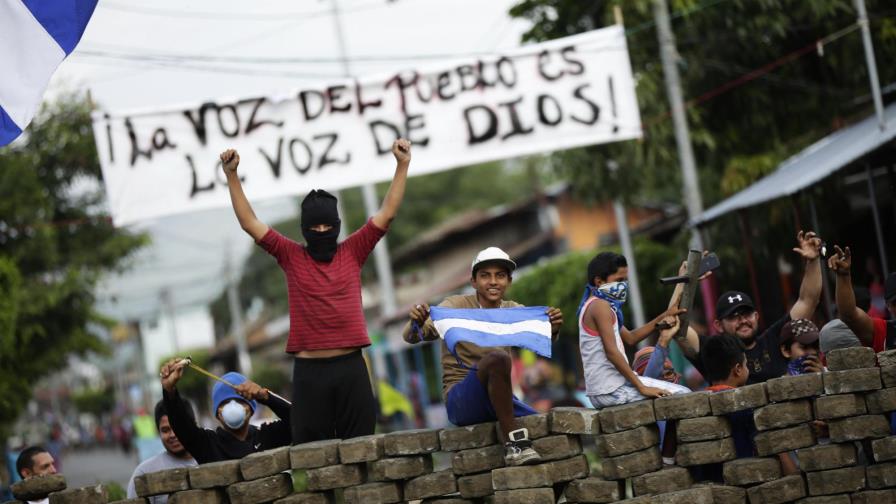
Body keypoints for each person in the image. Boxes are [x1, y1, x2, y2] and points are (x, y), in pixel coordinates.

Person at [221, 139, 411, 443]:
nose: (322, 233)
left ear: (337, 226)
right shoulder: (290, 255)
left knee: (361, 447)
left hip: (351, 367)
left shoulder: (354, 250)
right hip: (309, 373)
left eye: (327, 227)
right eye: (314, 229)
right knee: (312, 452)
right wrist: (231, 175)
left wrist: (402, 165)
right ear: (304, 230)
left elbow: (387, 213)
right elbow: (249, 222)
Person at [403, 247, 563, 466]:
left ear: (509, 281)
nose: (493, 282)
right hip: (461, 400)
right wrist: (416, 321)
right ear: (473, 281)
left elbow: (541, 336)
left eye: (500, 275)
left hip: (499, 398)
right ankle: (514, 445)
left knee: (549, 430)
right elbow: (412, 336)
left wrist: (553, 326)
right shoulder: (455, 307)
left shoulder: (513, 310)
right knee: (498, 359)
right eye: (485, 275)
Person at [676, 230, 823, 384]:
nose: (743, 320)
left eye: (747, 313)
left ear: (756, 316)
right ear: (718, 325)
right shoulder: (714, 353)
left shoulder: (775, 339)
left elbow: (808, 300)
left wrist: (813, 261)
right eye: (733, 316)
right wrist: (685, 283)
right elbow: (678, 327)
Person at [579, 252, 689, 409]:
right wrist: (642, 387)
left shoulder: (600, 306)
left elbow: (631, 337)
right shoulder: (600, 306)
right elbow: (612, 352)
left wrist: (665, 315)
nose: (624, 285)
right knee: (683, 394)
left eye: (625, 280)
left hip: (609, 389)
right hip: (611, 390)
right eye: (619, 280)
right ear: (599, 281)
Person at [701, 334, 798, 478]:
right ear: (738, 369)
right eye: (746, 364)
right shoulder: (749, 408)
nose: (748, 369)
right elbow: (781, 457)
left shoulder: (700, 406)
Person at [159, 363, 290, 463]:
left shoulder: (266, 435)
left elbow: (297, 420)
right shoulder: (207, 444)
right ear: (218, 413)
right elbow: (182, 426)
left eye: (240, 401)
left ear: (251, 409)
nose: (232, 406)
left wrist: (266, 397)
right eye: (225, 403)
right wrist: (170, 391)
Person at [126, 400, 197, 503]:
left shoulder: (212, 457)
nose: (173, 435)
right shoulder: (144, 472)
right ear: (158, 432)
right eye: (165, 430)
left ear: (193, 425)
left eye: (178, 427)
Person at [827, 245, 895, 351]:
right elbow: (849, 315)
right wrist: (843, 276)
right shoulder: (886, 332)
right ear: (888, 306)